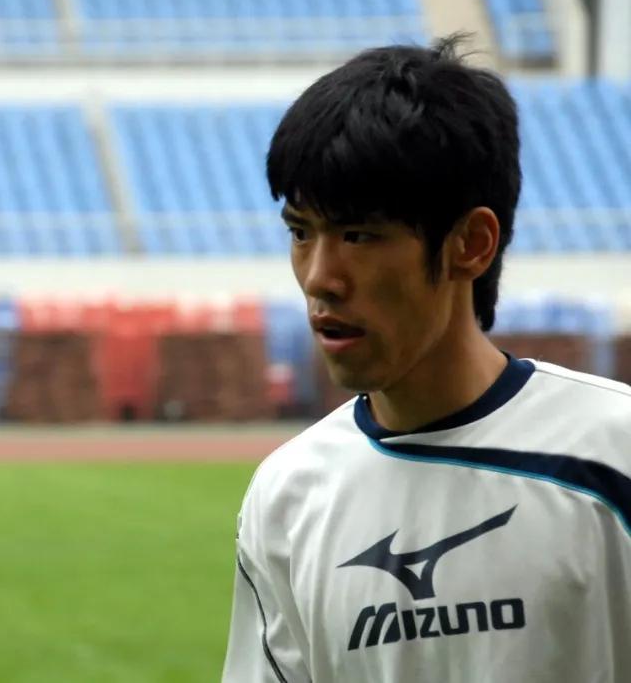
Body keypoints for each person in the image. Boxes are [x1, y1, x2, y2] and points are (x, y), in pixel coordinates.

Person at [221, 36, 631, 683]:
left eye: (359, 235)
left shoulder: (613, 454)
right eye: (300, 232)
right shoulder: (288, 495)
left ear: (471, 244)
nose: (320, 277)